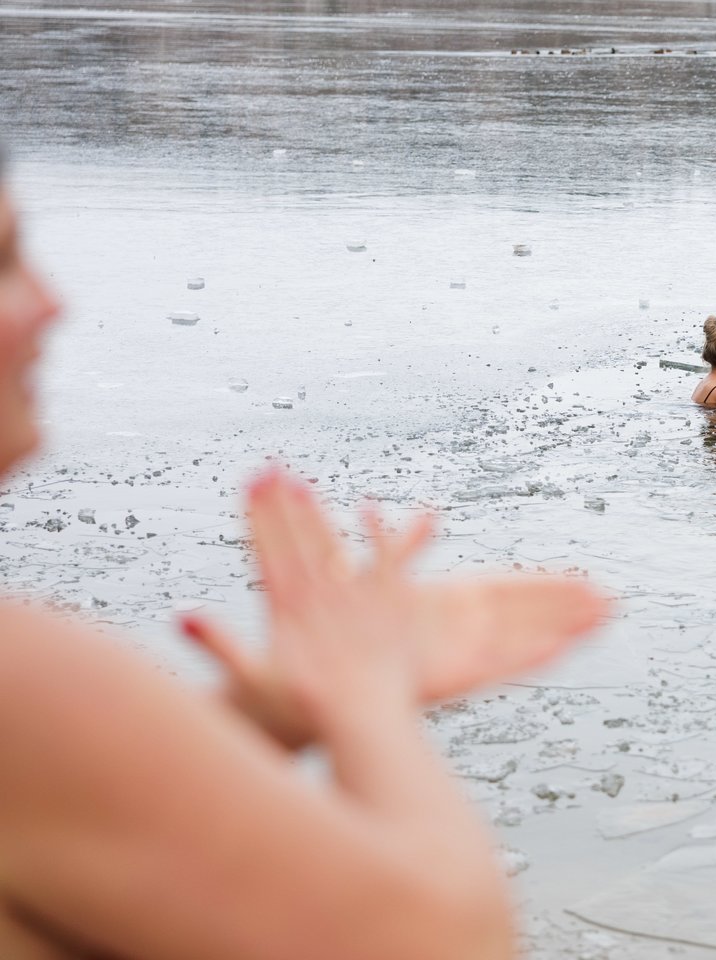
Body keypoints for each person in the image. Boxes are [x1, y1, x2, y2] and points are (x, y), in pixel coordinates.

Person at [0, 155, 607, 960]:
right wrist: (363, 693)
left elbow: (54, 823)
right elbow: (442, 942)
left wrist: (262, 723)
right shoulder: (23, 676)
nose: (52, 302)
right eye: (4, 262)